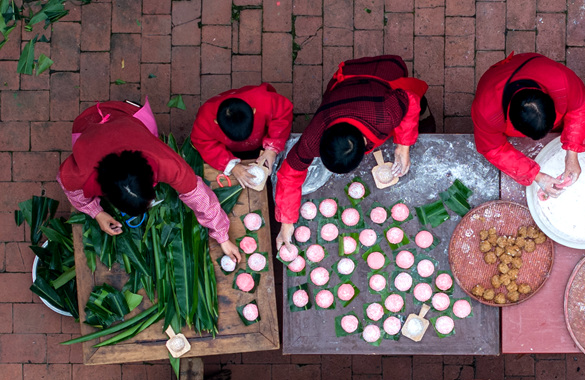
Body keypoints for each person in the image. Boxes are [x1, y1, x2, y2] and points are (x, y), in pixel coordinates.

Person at [274, 55, 429, 248]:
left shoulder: (384, 115)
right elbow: (289, 174)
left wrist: (403, 145)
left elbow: (411, 100)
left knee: (418, 113)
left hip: (384, 73)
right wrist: (286, 221)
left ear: (365, 143)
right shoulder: (313, 137)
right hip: (346, 82)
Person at [58, 100, 240, 262]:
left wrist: (222, 236)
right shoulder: (80, 175)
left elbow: (199, 196)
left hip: (125, 117)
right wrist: (96, 212)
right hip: (89, 124)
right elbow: (72, 191)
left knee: (147, 127)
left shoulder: (167, 163)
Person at [471, 52, 585, 197]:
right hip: (496, 80)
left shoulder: (560, 80)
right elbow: (493, 149)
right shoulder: (487, 111)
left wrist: (572, 153)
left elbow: (579, 106)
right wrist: (537, 176)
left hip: (532, 68)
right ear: (511, 121)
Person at [190, 83, 293, 188]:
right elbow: (203, 142)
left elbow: (282, 113)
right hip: (231, 149)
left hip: (260, 141)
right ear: (216, 122)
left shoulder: (263, 100)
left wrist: (272, 147)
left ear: (254, 111)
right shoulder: (206, 118)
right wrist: (231, 166)